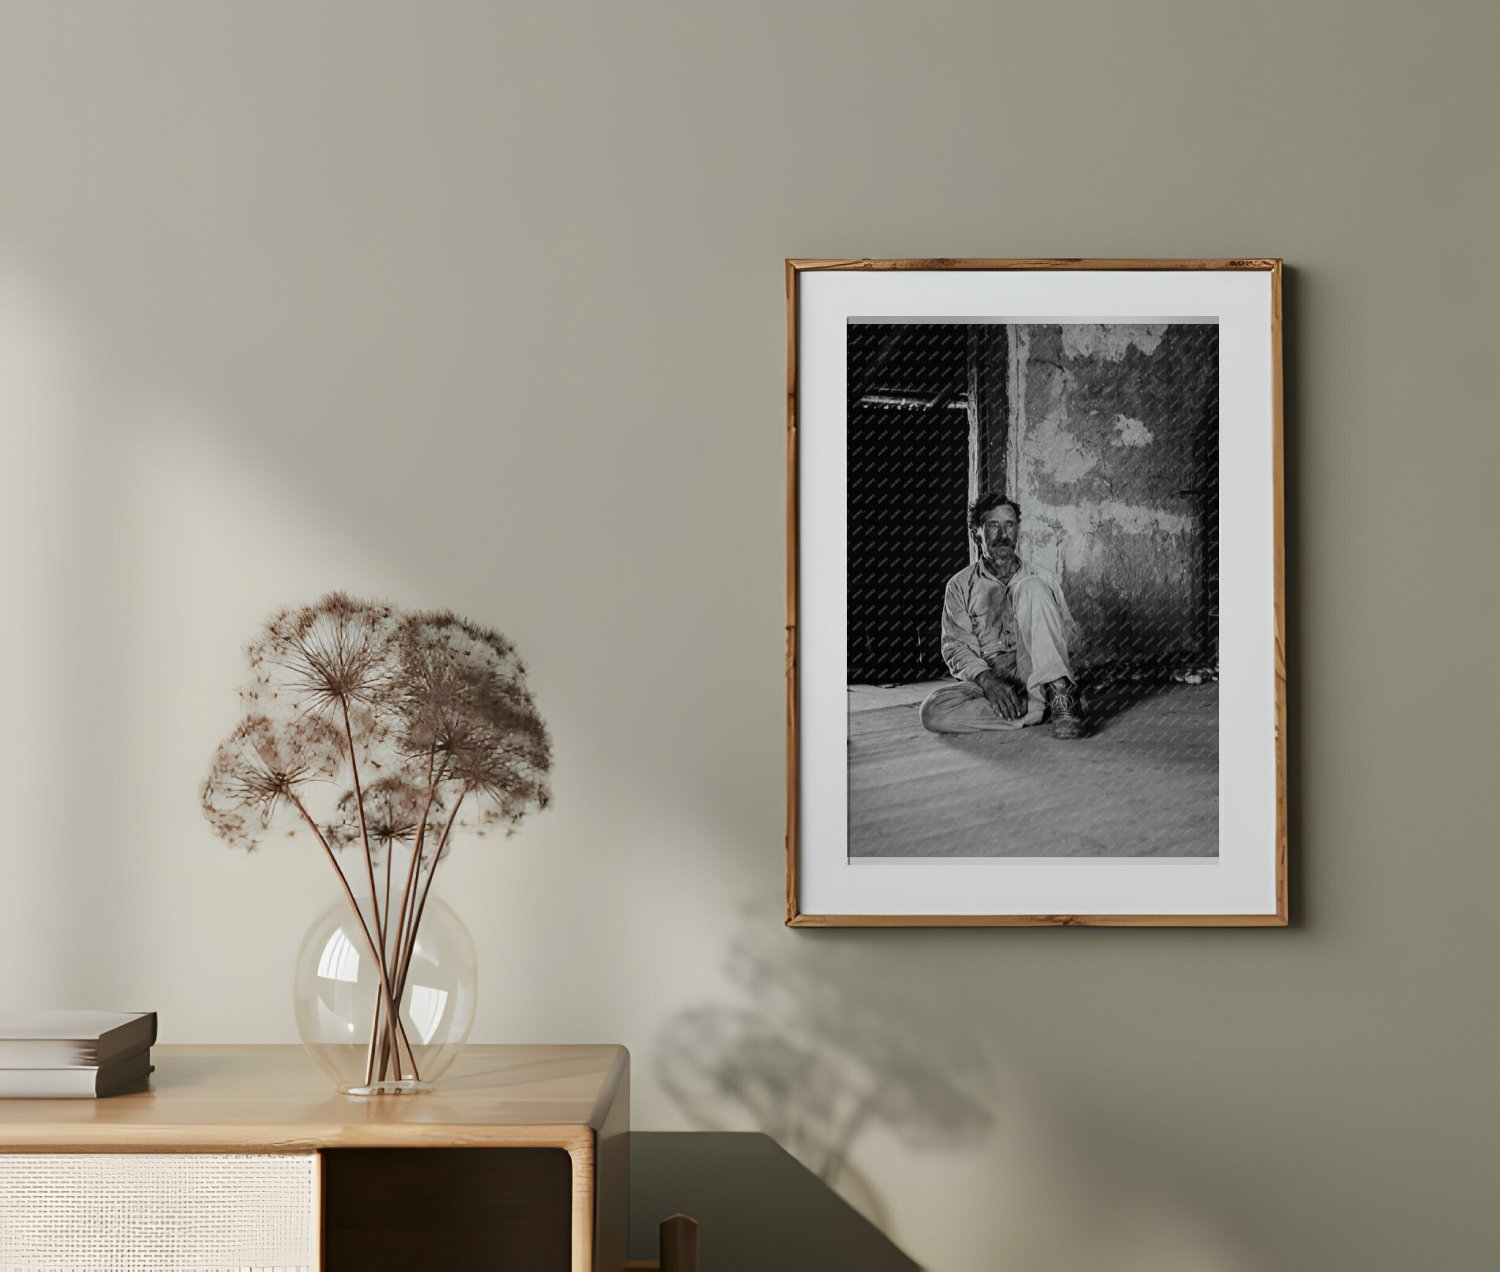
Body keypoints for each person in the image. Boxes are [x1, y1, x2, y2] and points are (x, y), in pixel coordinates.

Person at [919, 492, 1087, 738]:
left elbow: (1072, 636)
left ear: (1017, 530)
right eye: (993, 526)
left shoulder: (1042, 578)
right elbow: (955, 647)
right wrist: (987, 681)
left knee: (1031, 586)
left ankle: (1056, 692)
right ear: (977, 532)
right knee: (933, 712)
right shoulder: (959, 585)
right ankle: (1040, 708)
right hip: (989, 673)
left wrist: (1041, 629)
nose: (1002, 534)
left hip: (1036, 668)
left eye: (1010, 525)